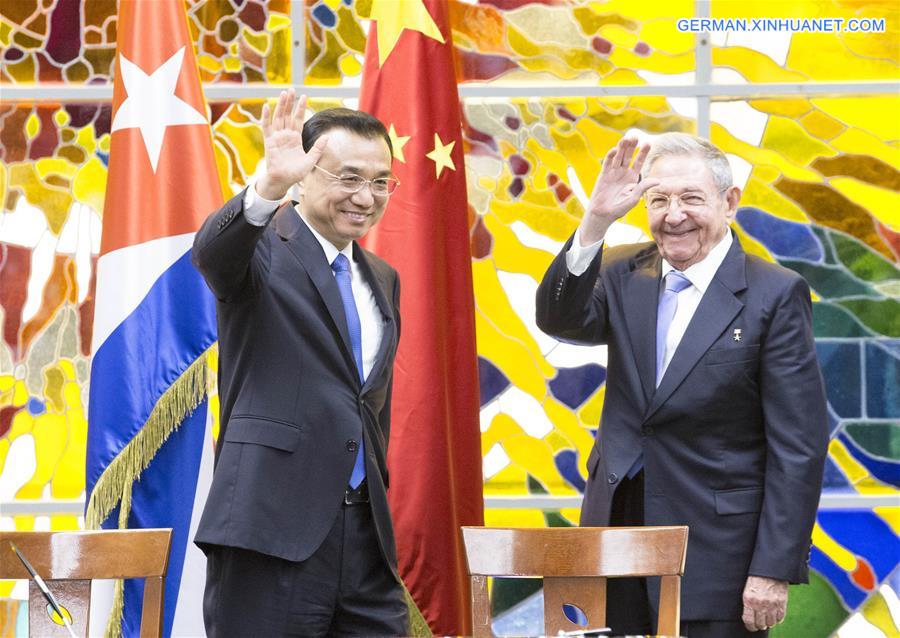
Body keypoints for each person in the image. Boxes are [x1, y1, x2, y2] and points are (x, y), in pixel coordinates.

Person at [536, 134, 829, 637]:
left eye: (691, 198)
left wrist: (773, 568)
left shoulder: (775, 293)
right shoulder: (622, 269)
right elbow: (559, 318)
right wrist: (596, 222)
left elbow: (798, 445)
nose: (674, 216)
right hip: (615, 534)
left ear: (729, 202)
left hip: (718, 555)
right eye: (659, 200)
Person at [192, 89, 408, 637]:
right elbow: (213, 256)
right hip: (270, 529)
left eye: (381, 181)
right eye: (349, 177)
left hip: (365, 536)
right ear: (305, 174)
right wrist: (267, 187)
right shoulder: (263, 247)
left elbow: (365, 404)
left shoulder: (383, 277)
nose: (366, 197)